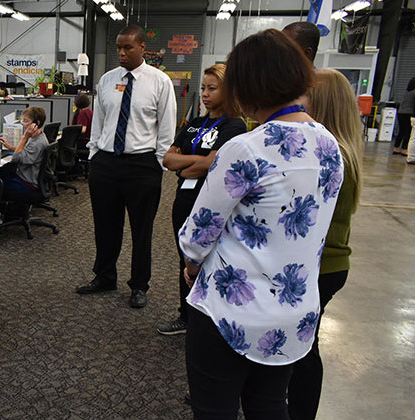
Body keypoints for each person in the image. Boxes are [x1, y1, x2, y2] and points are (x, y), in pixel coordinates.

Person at [178, 29, 343, 419]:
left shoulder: (246, 148)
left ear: (248, 85)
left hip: (231, 313)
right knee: (269, 406)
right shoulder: (329, 144)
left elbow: (198, 233)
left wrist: (191, 265)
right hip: (295, 311)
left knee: (214, 409)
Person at [75, 24, 177, 309]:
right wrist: (94, 153)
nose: (121, 52)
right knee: (105, 226)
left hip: (142, 164)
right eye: (118, 47)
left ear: (143, 47)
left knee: (141, 230)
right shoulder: (107, 80)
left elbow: (167, 127)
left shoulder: (159, 81)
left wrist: (158, 163)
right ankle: (105, 276)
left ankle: (139, 285)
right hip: (105, 163)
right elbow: (100, 121)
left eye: (127, 47)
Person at [287, 68, 363, 420]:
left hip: (319, 268)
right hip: (328, 266)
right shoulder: (343, 152)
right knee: (303, 346)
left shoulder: (330, 158)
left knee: (304, 350)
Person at [157, 64, 247, 336]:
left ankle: (209, 318)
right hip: (184, 200)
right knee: (186, 257)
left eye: (212, 88)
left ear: (227, 90)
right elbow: (168, 159)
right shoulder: (195, 124)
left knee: (211, 258)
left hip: (212, 202)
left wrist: (190, 164)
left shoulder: (235, 125)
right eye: (204, 88)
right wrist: (198, 163)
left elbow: (216, 163)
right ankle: (186, 315)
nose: (205, 94)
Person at [0, 106, 50, 192]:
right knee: (2, 171)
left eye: (25, 121)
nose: (22, 123)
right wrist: (10, 147)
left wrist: (24, 137)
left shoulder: (37, 143)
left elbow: (15, 159)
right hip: (27, 176)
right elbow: (24, 151)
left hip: (28, 183)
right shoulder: (37, 136)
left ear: (36, 123)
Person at [394, 77, 415, 156]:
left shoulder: (406, 92)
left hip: (400, 112)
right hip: (408, 113)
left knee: (401, 131)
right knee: (408, 132)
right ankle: (404, 149)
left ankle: (396, 148)